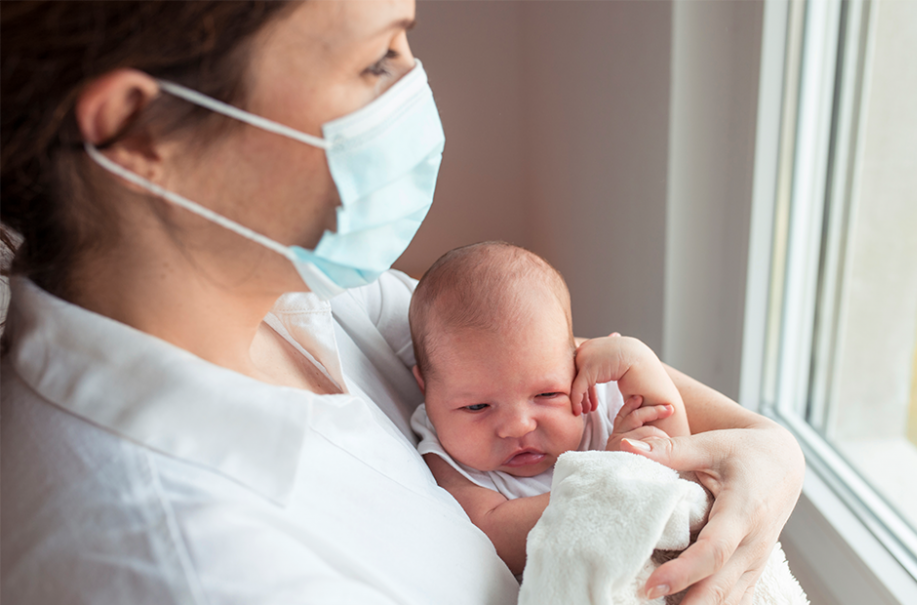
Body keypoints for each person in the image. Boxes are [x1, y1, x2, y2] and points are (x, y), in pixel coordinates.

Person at [0, 2, 805, 604]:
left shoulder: (311, 295)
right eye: (377, 60)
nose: (417, 92)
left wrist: (772, 455)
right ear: (142, 130)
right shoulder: (181, 566)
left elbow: (547, 366)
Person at [408, 241, 702, 575]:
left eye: (547, 394)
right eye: (477, 406)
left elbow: (683, 470)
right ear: (426, 389)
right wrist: (610, 474)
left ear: (576, 363)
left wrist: (641, 364)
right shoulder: (446, 455)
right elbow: (496, 538)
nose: (518, 426)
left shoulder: (599, 398)